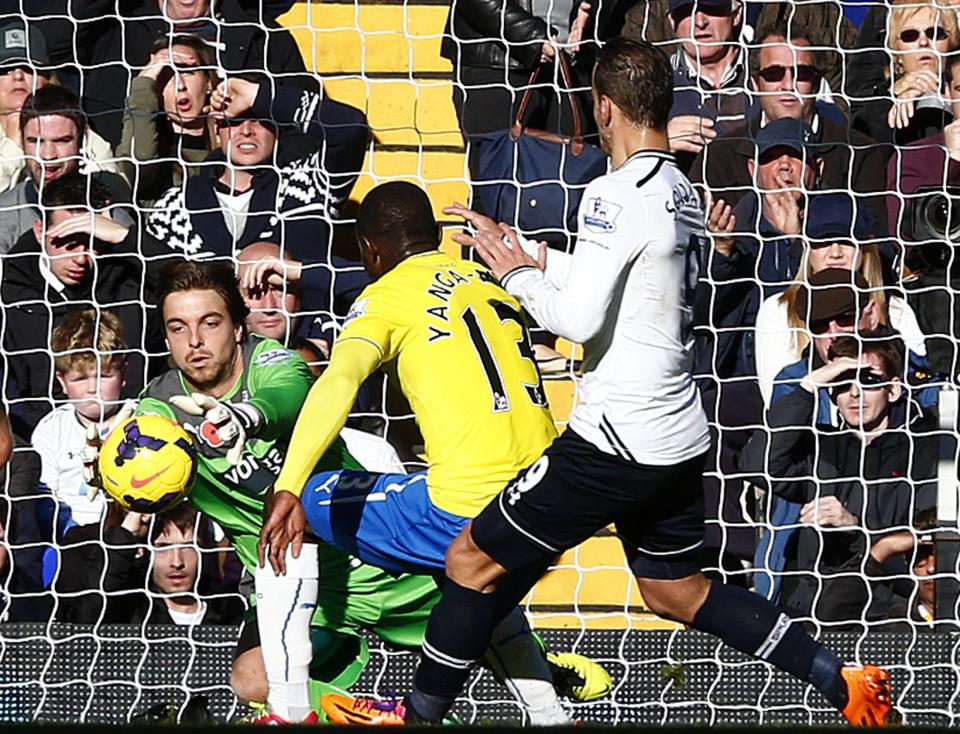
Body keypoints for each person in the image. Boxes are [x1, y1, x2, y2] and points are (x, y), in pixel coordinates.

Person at [307, 38, 896, 727]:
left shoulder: (610, 192)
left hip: (613, 443)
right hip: (676, 432)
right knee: (675, 590)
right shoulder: (677, 186)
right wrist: (532, 252)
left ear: (602, 106)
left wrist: (513, 275)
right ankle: (845, 683)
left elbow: (580, 318)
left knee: (470, 560)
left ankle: (415, 715)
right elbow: (621, 277)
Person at [128, 260, 597, 724]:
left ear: (236, 328)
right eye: (178, 328)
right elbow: (136, 456)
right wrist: (116, 471)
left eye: (209, 323)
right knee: (251, 680)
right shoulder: (157, 410)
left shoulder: (274, 362)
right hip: (300, 589)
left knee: (476, 588)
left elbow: (288, 395)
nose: (194, 342)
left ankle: (543, 673)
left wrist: (246, 417)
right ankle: (367, 715)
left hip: (366, 552)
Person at [258, 179, 610, 727]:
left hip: (466, 503)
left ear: (370, 248)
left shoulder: (384, 296)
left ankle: (286, 708)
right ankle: (549, 715)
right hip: (552, 492)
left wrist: (287, 481)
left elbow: (339, 381)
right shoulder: (483, 277)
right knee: (476, 578)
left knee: (304, 498)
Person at [738, 333, 937, 624]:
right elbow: (757, 465)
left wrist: (853, 526)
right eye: (842, 382)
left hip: (890, 613)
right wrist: (808, 386)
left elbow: (921, 546)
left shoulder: (925, 451)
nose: (854, 393)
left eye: (868, 380)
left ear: (893, 390)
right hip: (814, 610)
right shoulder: (820, 446)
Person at [1, 173, 167, 440]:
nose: (80, 258)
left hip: (136, 434)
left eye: (91, 242)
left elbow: (196, 287)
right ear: (40, 230)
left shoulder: (131, 281)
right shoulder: (10, 289)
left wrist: (125, 236)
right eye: (67, 243)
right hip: (39, 444)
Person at [145, 76, 368, 264]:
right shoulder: (172, 208)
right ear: (216, 127)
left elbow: (351, 129)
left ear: (278, 130)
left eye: (261, 120)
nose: (247, 131)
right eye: (234, 120)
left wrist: (259, 96)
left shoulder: (309, 183)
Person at [689, 21, 885, 225]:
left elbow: (876, 247)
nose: (788, 84)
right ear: (755, 83)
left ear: (817, 83)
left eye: (802, 73)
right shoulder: (718, 158)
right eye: (774, 73)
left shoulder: (859, 152)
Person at [754, 193, 927, 407]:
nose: (835, 253)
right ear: (807, 249)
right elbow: (778, 401)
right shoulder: (778, 310)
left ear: (865, 248)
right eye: (823, 242)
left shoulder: (895, 309)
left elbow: (921, 390)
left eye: (847, 241)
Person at [67, 0, 315, 147]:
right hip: (134, 190)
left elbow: (308, 123)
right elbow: (53, 41)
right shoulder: (114, 31)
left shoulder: (263, 38)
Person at [31, 310, 135, 540]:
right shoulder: (52, 429)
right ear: (62, 381)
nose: (92, 388)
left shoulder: (142, 419)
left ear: (124, 373)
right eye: (80, 379)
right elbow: (45, 500)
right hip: (73, 538)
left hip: (133, 530)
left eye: (104, 376)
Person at [0, 84, 132, 255]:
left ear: (82, 141)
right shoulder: (5, 213)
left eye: (62, 141)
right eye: (35, 141)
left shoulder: (109, 213)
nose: (48, 155)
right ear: (22, 142)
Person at [0, 18, 120, 193]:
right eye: (5, 69)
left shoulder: (74, 129)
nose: (18, 76)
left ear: (47, 78)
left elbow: (112, 193)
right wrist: (14, 145)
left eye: (30, 68)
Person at [117, 35, 220, 207]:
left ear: (208, 82)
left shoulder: (234, 137)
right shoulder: (148, 148)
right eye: (166, 75)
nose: (180, 85)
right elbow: (139, 164)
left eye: (187, 71)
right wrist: (144, 82)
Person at [850, 0, 960, 146]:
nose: (923, 42)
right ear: (896, 52)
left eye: (934, 33)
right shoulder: (880, 102)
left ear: (951, 43)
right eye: (910, 35)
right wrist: (893, 98)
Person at [666, 0, 749, 173]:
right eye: (688, 11)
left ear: (737, 14)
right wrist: (656, 144)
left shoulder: (772, 73)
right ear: (672, 21)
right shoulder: (654, 84)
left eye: (711, 8)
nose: (700, 22)